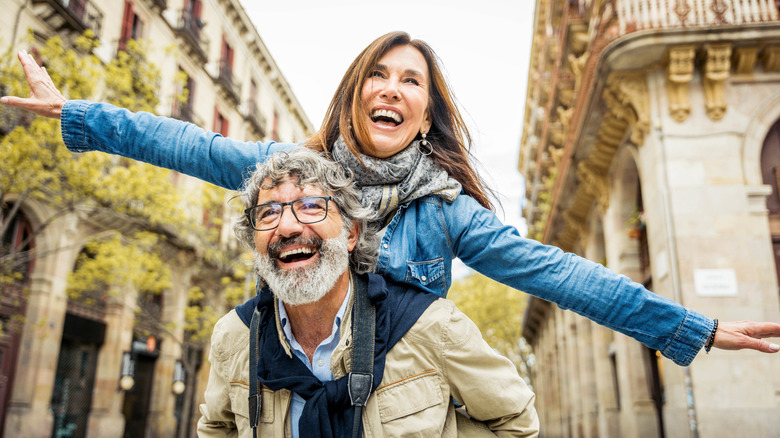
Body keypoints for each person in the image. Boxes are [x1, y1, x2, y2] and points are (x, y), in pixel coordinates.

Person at [2, 32, 779, 366]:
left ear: (426, 112)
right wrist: (79, 115)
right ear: (357, 91)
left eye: (413, 81)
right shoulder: (291, 167)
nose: (392, 88)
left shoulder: (444, 208)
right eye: (381, 73)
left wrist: (694, 328)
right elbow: (188, 143)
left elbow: (556, 272)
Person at [197, 147, 540, 437]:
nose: (287, 226)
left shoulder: (433, 327)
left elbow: (516, 422)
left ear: (351, 234)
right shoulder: (234, 337)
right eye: (269, 212)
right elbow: (216, 427)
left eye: (312, 206)